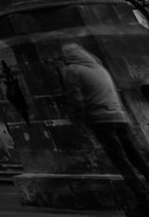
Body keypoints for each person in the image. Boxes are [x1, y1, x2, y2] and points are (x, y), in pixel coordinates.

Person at [61, 43, 149, 210]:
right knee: (135, 155)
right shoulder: (100, 68)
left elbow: (76, 99)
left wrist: (78, 119)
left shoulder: (72, 70)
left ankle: (142, 196)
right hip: (120, 118)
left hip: (100, 119)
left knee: (121, 160)